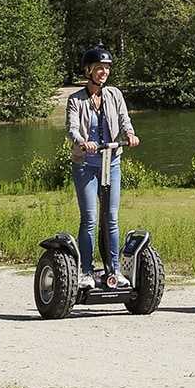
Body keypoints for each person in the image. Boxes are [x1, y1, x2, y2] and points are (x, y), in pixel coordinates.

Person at [66, 47, 139, 289]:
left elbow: (124, 119)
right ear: (88, 71)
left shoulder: (115, 95)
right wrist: (81, 143)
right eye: (99, 68)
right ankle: (87, 271)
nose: (104, 72)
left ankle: (114, 269)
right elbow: (72, 128)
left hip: (111, 162)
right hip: (86, 164)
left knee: (112, 219)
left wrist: (129, 134)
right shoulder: (75, 100)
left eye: (106, 68)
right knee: (89, 219)